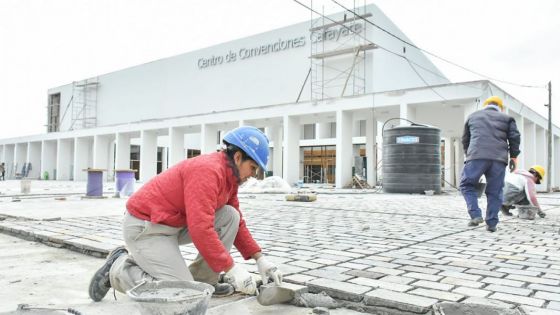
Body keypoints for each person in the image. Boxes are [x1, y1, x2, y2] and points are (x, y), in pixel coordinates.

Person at [88, 126, 283, 302]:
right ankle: (118, 269)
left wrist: (260, 259)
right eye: (253, 168)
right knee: (180, 293)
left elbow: (236, 223)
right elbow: (201, 228)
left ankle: (203, 282)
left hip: (174, 224)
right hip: (146, 228)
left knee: (230, 215)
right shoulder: (208, 171)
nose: (253, 175)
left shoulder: (230, 179)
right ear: (238, 157)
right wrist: (231, 267)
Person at [459, 96, 521, 232]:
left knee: (466, 184)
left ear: (485, 106)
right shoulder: (507, 118)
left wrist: (469, 155)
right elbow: (515, 138)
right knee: (495, 191)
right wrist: (514, 157)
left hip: (476, 156)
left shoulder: (473, 116)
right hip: (499, 159)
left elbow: (465, 139)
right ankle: (491, 223)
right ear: (501, 108)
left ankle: (475, 215)